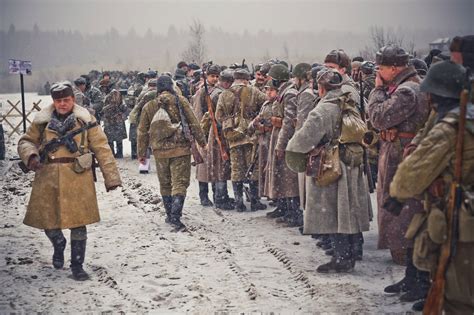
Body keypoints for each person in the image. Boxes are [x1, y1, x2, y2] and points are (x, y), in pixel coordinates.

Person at [386, 60, 474, 313]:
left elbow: (409, 177)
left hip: (460, 218)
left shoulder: (449, 128)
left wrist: (397, 195)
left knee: (457, 294)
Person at [17, 81, 121, 281]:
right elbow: (25, 141)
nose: (62, 104)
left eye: (66, 100)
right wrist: (31, 156)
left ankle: (77, 265)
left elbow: (102, 147)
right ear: (53, 101)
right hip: (47, 176)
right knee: (48, 222)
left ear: (73, 99)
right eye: (58, 101)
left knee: (79, 224)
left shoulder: (86, 121)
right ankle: (58, 244)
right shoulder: (41, 122)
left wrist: (111, 177)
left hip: (77, 177)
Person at [286, 68, 371, 272]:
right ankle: (351, 253)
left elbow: (304, 138)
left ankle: (341, 258)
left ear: (320, 88)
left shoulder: (323, 109)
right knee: (347, 210)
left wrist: (292, 153)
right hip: (351, 161)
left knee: (333, 211)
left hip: (331, 165)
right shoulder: (348, 102)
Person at [367, 45, 431, 266]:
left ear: (394, 68)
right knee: (404, 210)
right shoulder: (412, 86)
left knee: (402, 211)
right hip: (403, 152)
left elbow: (377, 117)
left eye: (381, 68)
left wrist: (376, 91)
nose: (379, 74)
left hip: (401, 155)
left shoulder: (407, 91)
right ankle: (409, 269)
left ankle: (409, 268)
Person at [137, 75, 206, 230]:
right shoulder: (180, 101)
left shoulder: (150, 105)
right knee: (180, 183)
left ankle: (169, 214)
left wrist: (142, 153)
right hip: (180, 149)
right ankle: (176, 216)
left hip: (159, 152)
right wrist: (202, 142)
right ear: (171, 87)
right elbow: (193, 122)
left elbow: (142, 131)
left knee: (165, 183)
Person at [215, 68, 267, 212]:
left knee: (236, 170)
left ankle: (239, 203)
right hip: (251, 135)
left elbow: (218, 116)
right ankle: (255, 202)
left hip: (233, 137)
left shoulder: (224, 94)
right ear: (246, 78)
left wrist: (231, 121)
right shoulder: (254, 91)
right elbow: (267, 104)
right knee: (253, 169)